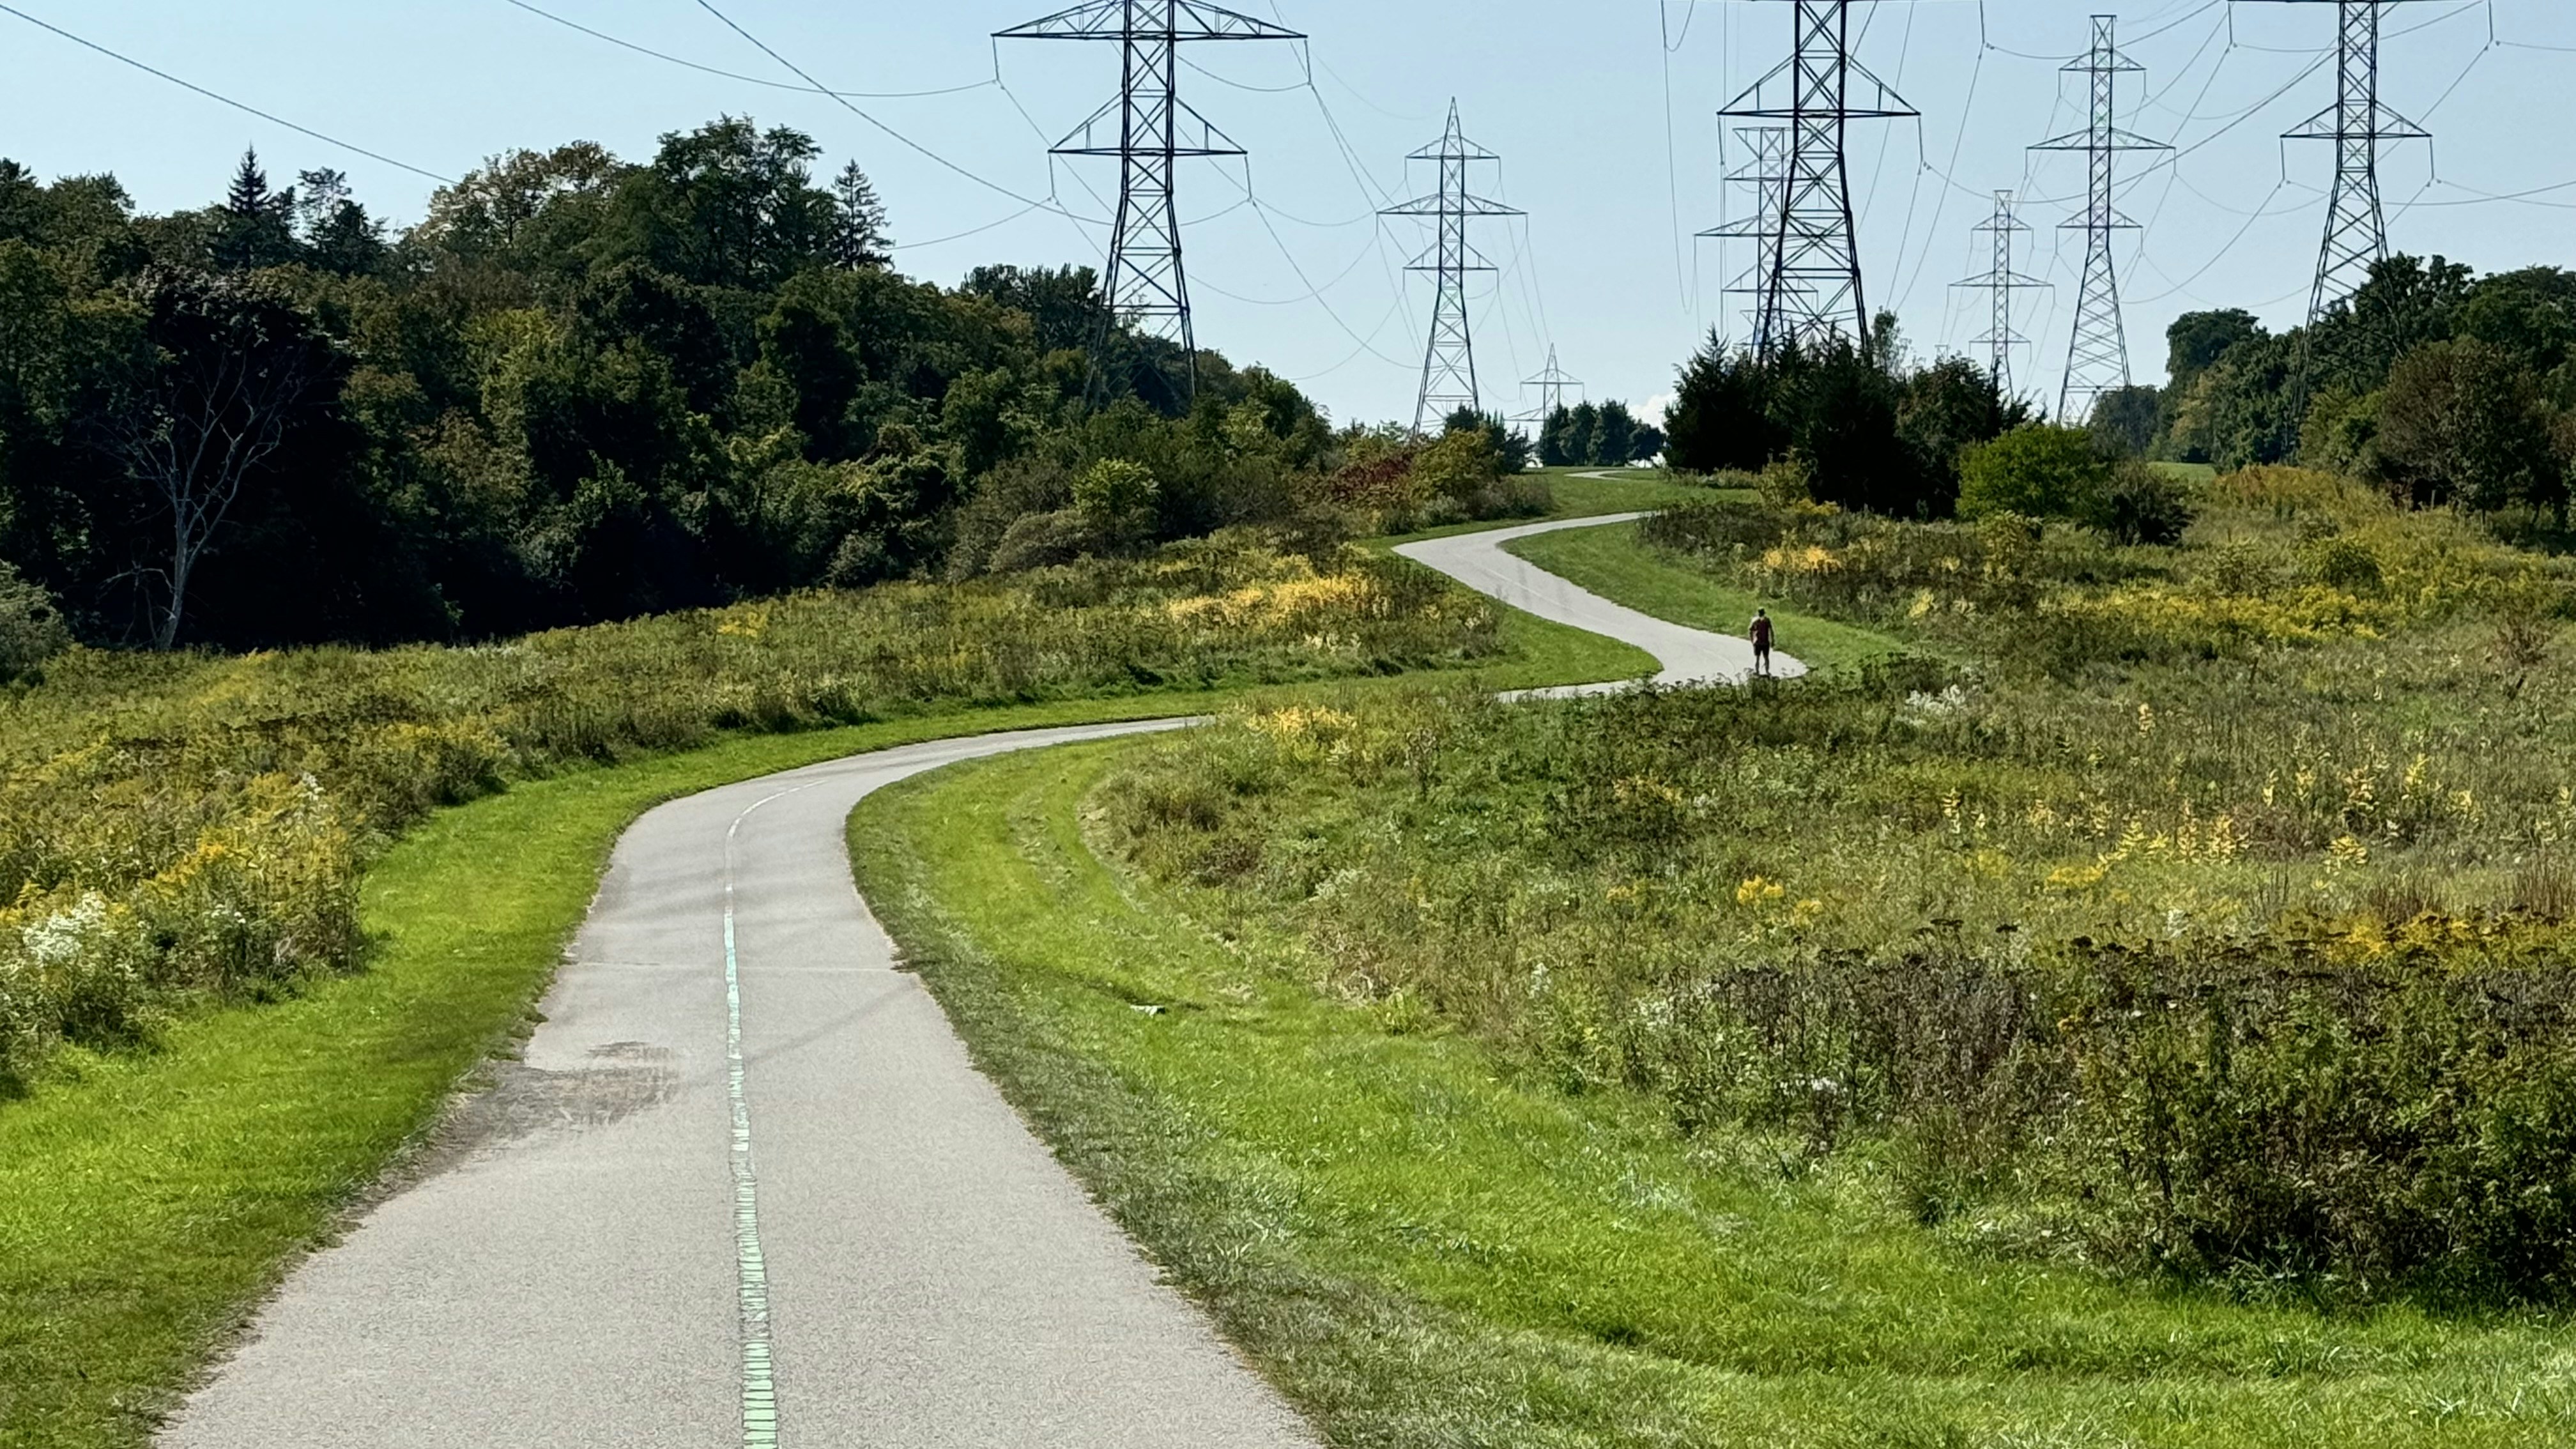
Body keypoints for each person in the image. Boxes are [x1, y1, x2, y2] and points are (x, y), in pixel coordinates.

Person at [1749, 608, 1774, 677]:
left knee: (1758, 658)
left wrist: (1752, 640)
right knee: (1766, 657)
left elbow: (1751, 631)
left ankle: (1757, 671)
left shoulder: (1756, 621)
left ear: (1758, 613)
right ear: (1764, 613)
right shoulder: (1767, 620)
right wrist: (1773, 640)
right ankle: (1767, 671)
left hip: (1758, 642)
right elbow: (1771, 630)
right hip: (1765, 642)